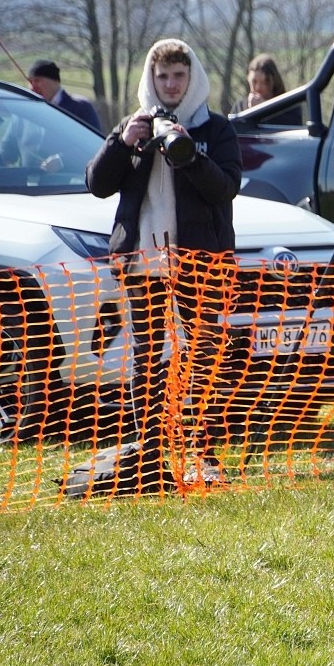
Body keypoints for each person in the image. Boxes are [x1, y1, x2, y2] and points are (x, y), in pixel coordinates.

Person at [86, 38, 242, 486]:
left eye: (178, 75)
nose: (170, 84)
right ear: (150, 80)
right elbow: (96, 183)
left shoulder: (216, 129)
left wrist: (190, 152)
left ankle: (204, 454)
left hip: (200, 260)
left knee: (205, 353)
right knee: (148, 357)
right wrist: (122, 142)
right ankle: (150, 452)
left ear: (192, 78)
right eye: (162, 76)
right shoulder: (133, 126)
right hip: (144, 261)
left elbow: (226, 188)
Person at [27, 59, 102, 131]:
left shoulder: (81, 107)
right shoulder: (30, 110)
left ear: (55, 80)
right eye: (30, 82)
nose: (33, 87)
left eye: (37, 80)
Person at [229, 53, 302, 125]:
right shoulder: (240, 106)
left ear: (274, 81)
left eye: (265, 82)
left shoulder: (289, 106)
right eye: (254, 81)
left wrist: (264, 109)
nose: (258, 87)